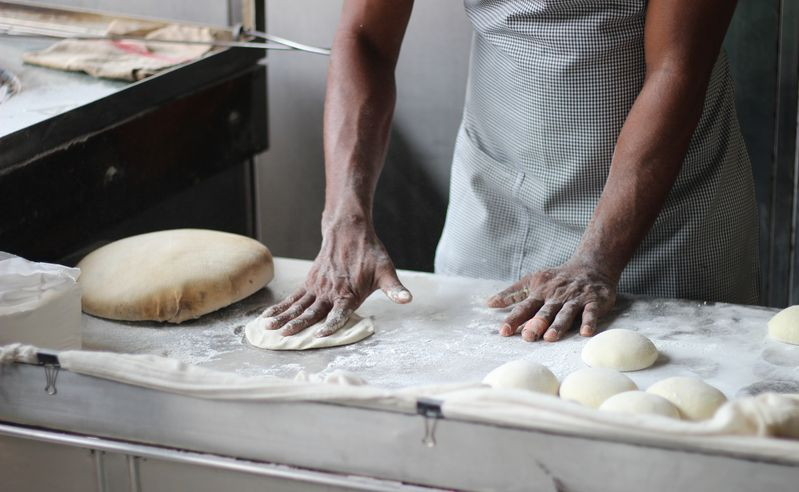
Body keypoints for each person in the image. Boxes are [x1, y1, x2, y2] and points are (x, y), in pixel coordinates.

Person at [261, 0, 758, 343]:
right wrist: (344, 215)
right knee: (475, 391)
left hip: (664, 213)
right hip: (496, 192)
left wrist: (597, 258)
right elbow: (365, 38)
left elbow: (678, 68)